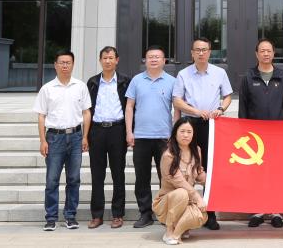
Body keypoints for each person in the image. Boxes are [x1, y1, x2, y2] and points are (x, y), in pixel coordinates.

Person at [171, 37, 232, 230]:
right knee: (187, 166)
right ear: (192, 53)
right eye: (197, 50)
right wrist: (196, 111)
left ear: (210, 52)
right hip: (190, 124)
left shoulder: (219, 73)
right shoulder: (183, 74)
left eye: (204, 50)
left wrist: (221, 109)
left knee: (209, 169)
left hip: (212, 125)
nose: (201, 53)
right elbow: (177, 101)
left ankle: (209, 214)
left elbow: (228, 96)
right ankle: (186, 212)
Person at [33, 50, 92, 231]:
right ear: (55, 65)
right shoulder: (47, 88)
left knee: (74, 178)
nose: (65, 65)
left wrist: (85, 136)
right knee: (52, 180)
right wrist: (43, 140)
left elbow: (86, 112)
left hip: (75, 136)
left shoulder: (80, 86)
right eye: (62, 62)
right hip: (54, 138)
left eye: (68, 62)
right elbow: (41, 116)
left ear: (73, 65)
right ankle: (51, 218)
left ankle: (70, 216)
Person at [237, 37, 283, 228]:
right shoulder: (248, 77)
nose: (266, 54)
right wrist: (244, 131)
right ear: (256, 54)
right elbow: (243, 106)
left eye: (269, 51)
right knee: (256, 173)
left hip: (278, 134)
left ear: (273, 53)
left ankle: (276, 211)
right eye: (262, 51)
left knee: (277, 172)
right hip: (255, 136)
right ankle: (257, 210)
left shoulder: (282, 77)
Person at [125, 45, 176, 229]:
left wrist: (174, 134)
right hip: (141, 137)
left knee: (166, 177)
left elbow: (177, 108)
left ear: (164, 61)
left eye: (157, 57)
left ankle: (165, 213)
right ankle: (145, 213)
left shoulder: (172, 81)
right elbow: (129, 107)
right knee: (142, 177)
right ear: (145, 60)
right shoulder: (136, 80)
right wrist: (129, 131)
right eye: (150, 57)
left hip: (164, 137)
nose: (153, 59)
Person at [85, 46, 130, 229]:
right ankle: (97, 215)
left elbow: (130, 108)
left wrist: (129, 132)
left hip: (117, 130)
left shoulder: (125, 81)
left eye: (111, 58)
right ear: (100, 60)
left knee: (118, 174)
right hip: (97, 130)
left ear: (117, 60)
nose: (108, 61)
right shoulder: (92, 82)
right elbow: (87, 110)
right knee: (97, 174)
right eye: (105, 58)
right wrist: (86, 135)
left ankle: (118, 214)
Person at [153, 118, 208, 245]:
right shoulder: (168, 155)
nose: (186, 135)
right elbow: (179, 182)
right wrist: (197, 197)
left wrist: (212, 180)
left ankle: (177, 232)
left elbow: (199, 174)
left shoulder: (197, 150)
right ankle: (169, 231)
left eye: (189, 132)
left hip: (188, 200)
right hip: (168, 202)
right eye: (182, 131)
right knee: (182, 193)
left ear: (193, 134)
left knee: (202, 215)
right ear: (175, 133)